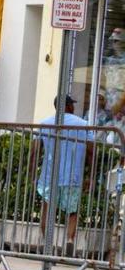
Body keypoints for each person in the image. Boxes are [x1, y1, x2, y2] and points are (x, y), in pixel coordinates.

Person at [29, 95, 94, 257]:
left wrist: (31, 173)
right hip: (73, 176)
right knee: (72, 212)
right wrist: (91, 175)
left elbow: (35, 150)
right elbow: (92, 152)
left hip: (49, 176)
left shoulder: (45, 124)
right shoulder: (83, 124)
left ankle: (47, 243)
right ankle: (69, 241)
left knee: (47, 209)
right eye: (72, 104)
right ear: (69, 106)